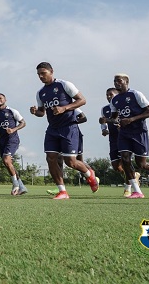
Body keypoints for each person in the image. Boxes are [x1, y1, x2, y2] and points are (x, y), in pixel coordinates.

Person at [29, 62, 98, 200]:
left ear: (51, 71)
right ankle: (63, 192)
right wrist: (36, 111)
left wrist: (64, 108)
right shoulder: (40, 93)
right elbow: (42, 112)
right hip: (52, 129)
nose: (41, 76)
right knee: (50, 158)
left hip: (69, 127)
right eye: (38, 74)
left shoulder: (64, 85)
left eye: (43, 73)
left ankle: (89, 174)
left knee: (70, 162)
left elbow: (82, 100)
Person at [108, 74, 149, 198]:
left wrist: (131, 119)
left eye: (119, 81)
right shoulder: (114, 100)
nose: (116, 83)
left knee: (141, 164)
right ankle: (137, 191)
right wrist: (110, 120)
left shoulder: (136, 94)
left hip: (139, 132)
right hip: (124, 133)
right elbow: (114, 117)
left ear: (126, 82)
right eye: (115, 81)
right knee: (125, 159)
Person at [0, 93, 28, 196]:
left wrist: (13, 129)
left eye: (0, 98)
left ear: (5, 100)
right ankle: (21, 186)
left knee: (6, 160)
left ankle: (16, 184)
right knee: (8, 163)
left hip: (12, 139)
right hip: (2, 140)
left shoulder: (12, 111)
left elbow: (23, 123)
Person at [99, 87, 139, 197]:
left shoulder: (124, 106)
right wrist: (104, 129)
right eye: (107, 95)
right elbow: (104, 122)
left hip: (125, 137)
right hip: (112, 139)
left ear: (117, 95)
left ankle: (128, 189)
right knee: (116, 167)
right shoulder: (105, 109)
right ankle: (134, 175)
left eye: (111, 94)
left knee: (126, 162)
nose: (108, 97)